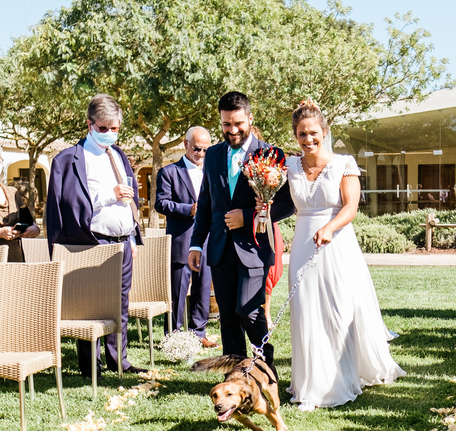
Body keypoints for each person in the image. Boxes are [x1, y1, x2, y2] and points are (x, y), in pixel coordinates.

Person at [283, 99, 404, 410]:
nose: (308, 139)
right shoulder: (289, 166)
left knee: (338, 311)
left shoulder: (343, 163)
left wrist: (330, 227)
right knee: (306, 310)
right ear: (295, 136)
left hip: (336, 243)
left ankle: (340, 378)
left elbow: (351, 207)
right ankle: (309, 383)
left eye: (313, 132)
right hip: (303, 244)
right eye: (301, 134)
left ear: (324, 132)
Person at [187, 92, 294, 371]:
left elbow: (287, 204)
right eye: (226, 124)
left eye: (238, 124)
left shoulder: (271, 155)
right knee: (228, 318)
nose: (232, 130)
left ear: (250, 118)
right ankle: (236, 376)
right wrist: (196, 244)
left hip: (254, 249)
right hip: (220, 250)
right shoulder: (212, 155)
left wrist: (246, 217)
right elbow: (206, 202)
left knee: (249, 310)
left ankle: (265, 369)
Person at [45, 94, 147, 377]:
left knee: (120, 304)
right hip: (92, 241)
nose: (109, 133)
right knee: (90, 305)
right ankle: (92, 365)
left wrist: (132, 236)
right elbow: (69, 202)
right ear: (89, 124)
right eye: (103, 128)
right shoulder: (69, 159)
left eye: (115, 128)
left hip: (123, 242)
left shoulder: (118, 154)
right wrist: (109, 194)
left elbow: (129, 198)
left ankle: (118, 360)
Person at [154, 127, 216, 347]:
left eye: (206, 150)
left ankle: (198, 333)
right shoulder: (169, 172)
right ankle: (173, 335)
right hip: (182, 239)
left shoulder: (211, 171)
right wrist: (188, 209)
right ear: (186, 144)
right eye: (197, 149)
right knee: (178, 290)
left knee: (203, 287)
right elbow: (161, 203)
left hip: (207, 238)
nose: (201, 154)